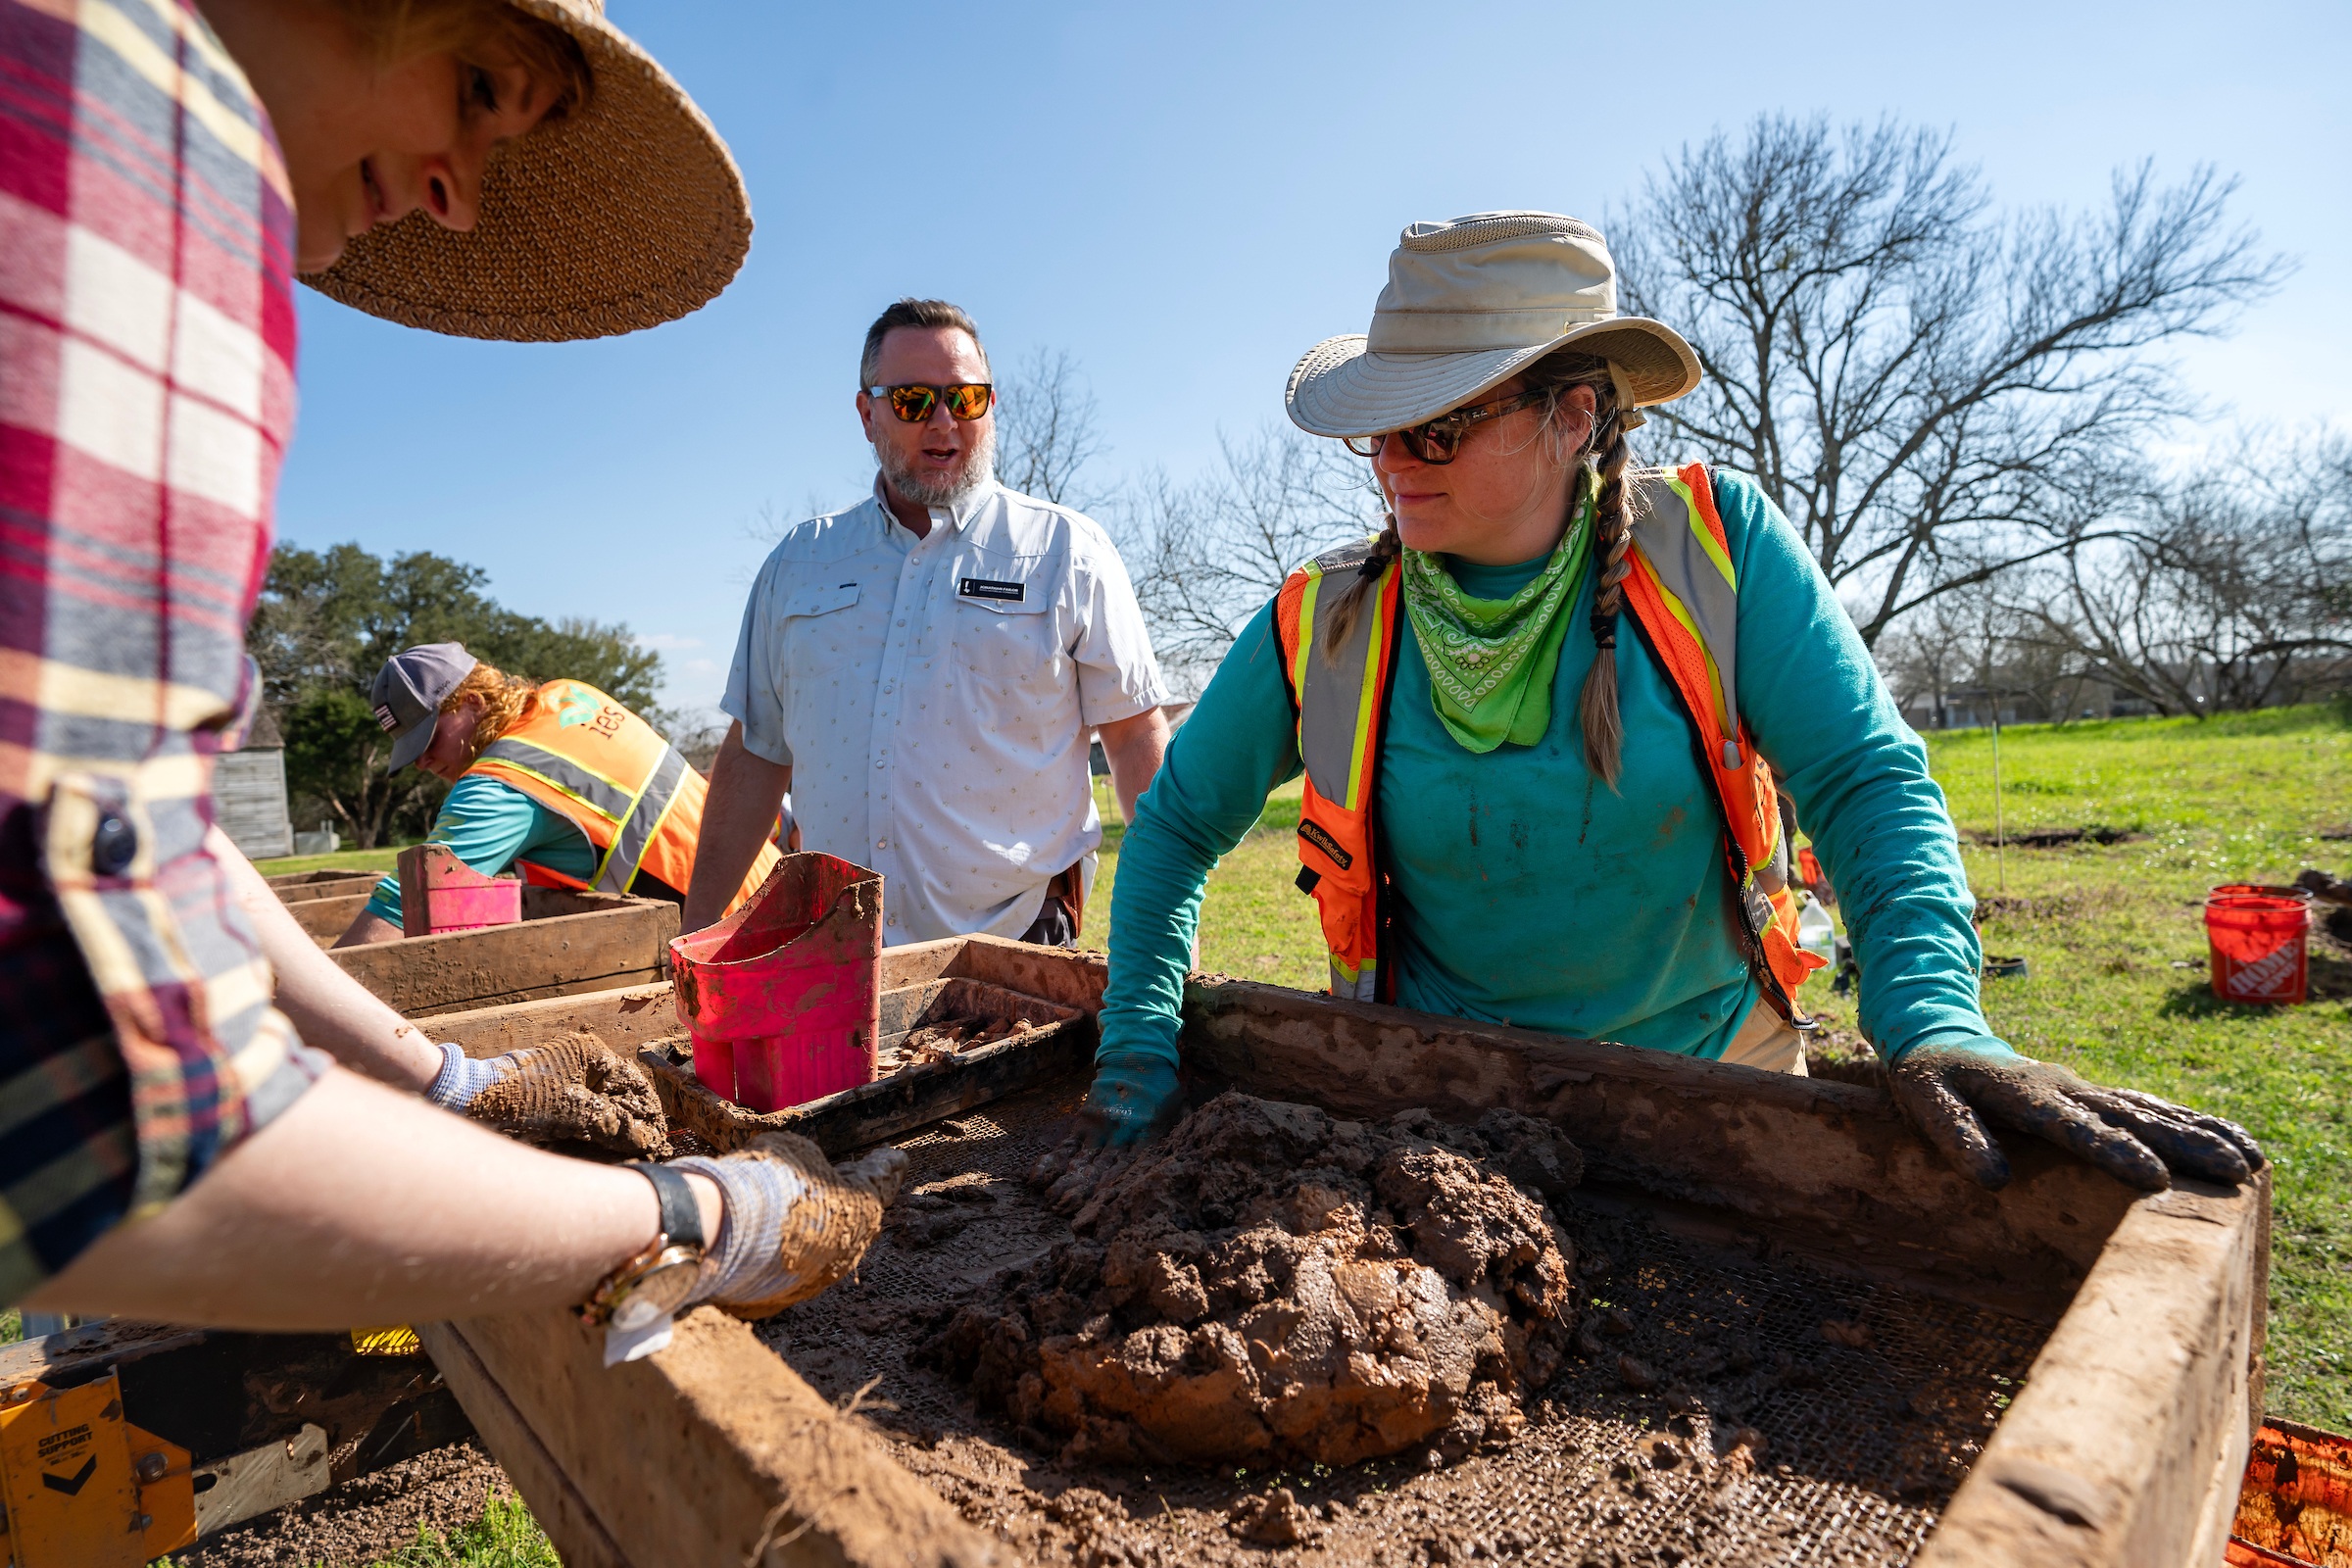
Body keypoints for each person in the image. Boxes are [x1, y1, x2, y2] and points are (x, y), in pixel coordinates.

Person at [6, 0, 899, 1346]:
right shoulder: (110, 123)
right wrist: (686, 1222)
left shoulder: (128, 136)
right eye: (474, 90)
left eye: (498, 106)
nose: (459, 201)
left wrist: (440, 1076)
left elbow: (181, 913)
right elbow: (97, 1040)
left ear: (454, 720)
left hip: (748, 965)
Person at [1074, 213, 2264, 1198]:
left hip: (1722, 1101)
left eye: (1436, 422)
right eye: (1380, 428)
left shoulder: (1716, 550)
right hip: (1432, 1131)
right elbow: (1174, 827)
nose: (1394, 459)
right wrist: (1136, 1040)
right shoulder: (1321, 619)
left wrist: (1934, 1014)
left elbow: (1864, 781)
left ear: (1574, 415)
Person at [686, 298, 1173, 949]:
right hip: (835, 949)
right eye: (914, 401)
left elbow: (1135, 734)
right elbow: (755, 751)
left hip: (1016, 937)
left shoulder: (1066, 551)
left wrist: (1172, 930)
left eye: (966, 399)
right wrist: (697, 926)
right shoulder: (799, 564)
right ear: (867, 414)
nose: (943, 421)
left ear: (990, 407)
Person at [333, 644, 779, 946]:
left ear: (473, 703)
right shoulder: (571, 697)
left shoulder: (497, 786)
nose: (423, 762)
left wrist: (311, 1003)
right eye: (412, 752)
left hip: (727, 940)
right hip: (776, 893)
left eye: (429, 739)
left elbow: (406, 902)